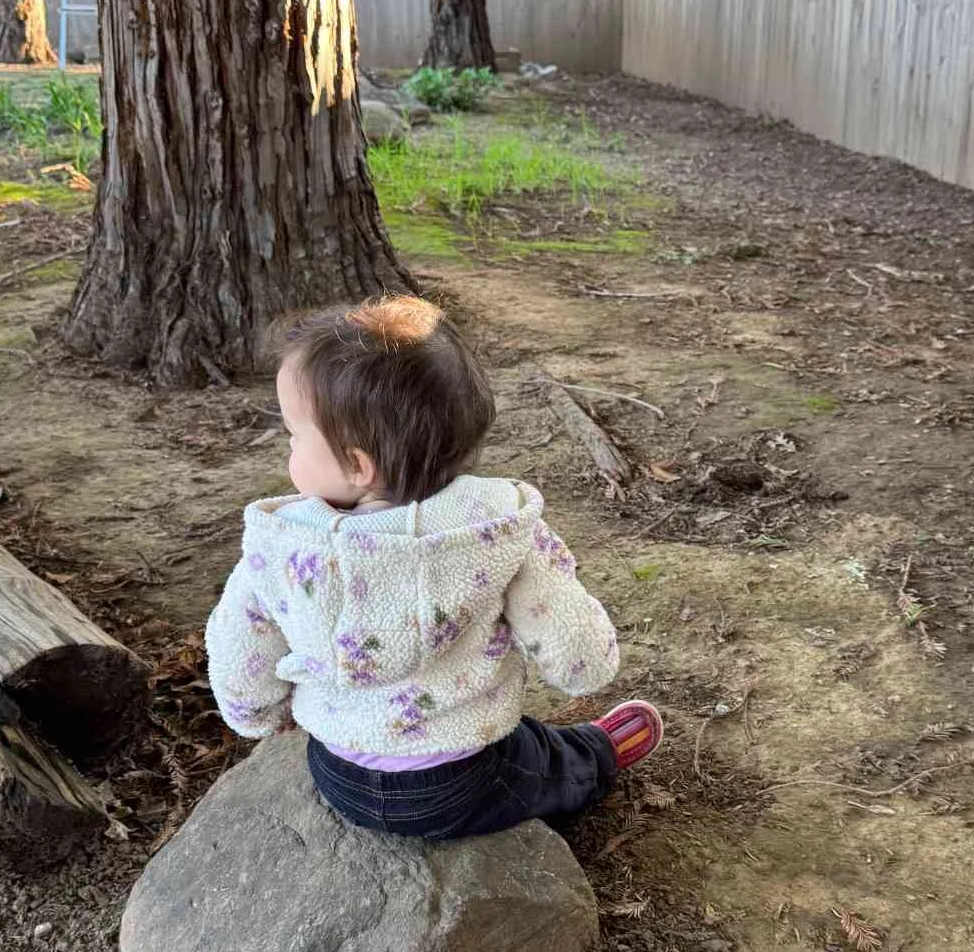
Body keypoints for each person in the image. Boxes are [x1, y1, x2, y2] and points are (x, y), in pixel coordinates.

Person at [205, 294, 662, 840]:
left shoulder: (280, 543)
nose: (289, 449)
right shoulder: (499, 526)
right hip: (461, 780)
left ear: (357, 464)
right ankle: (597, 754)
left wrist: (260, 718)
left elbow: (240, 655)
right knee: (541, 756)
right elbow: (581, 659)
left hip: (338, 771)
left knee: (516, 748)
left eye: (293, 435)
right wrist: (588, 671)